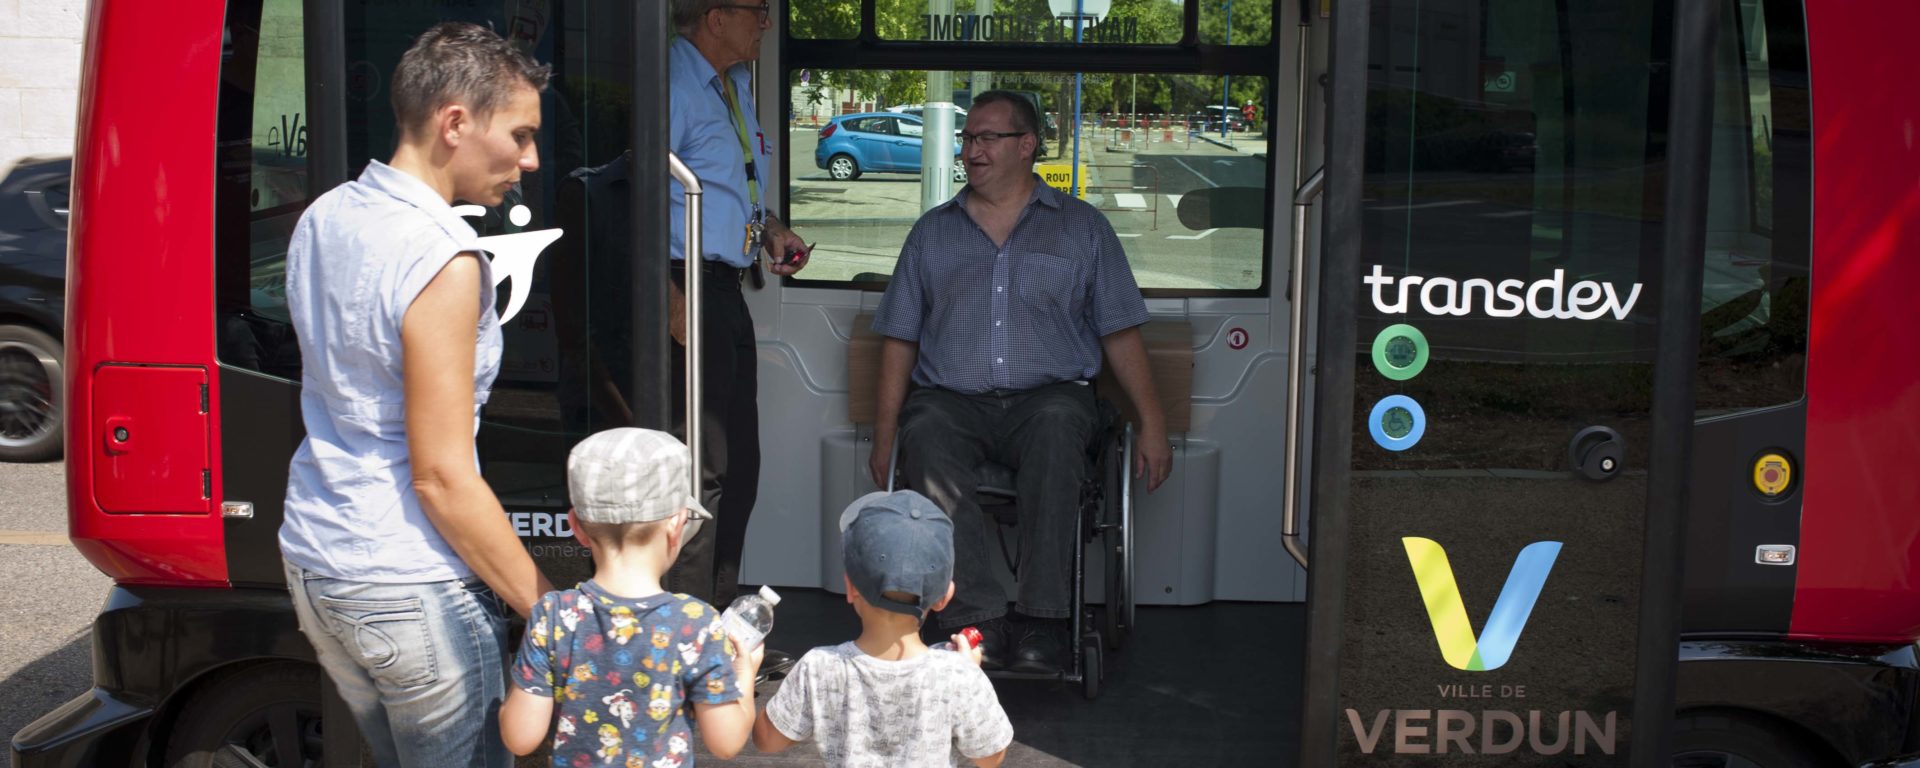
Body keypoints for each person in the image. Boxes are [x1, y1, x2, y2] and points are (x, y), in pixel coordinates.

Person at [278, 22, 554, 766]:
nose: (530, 161)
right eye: (521, 134)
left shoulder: (324, 217)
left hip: (317, 560)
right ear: (455, 121)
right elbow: (439, 476)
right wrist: (553, 611)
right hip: (407, 582)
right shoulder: (444, 257)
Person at [867, 90, 1175, 675]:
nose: (970, 150)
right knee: (925, 434)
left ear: (1026, 145)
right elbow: (899, 340)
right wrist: (885, 439)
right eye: (967, 138)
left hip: (1048, 398)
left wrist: (1152, 426)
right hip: (952, 401)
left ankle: (1044, 620)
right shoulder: (933, 233)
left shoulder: (1082, 229)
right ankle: (975, 619)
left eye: (985, 138)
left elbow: (1120, 332)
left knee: (1061, 429)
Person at [665, 0, 811, 609]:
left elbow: (734, 184)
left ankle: (719, 619)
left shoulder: (735, 84)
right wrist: (666, 297)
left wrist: (771, 227)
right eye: (758, 10)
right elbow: (629, 193)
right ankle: (686, 624)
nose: (768, 24)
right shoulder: (672, 84)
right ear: (715, 16)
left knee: (741, 468)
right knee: (704, 471)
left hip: (725, 286)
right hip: (682, 282)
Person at [501, 428, 764, 764]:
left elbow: (520, 738)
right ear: (677, 526)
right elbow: (725, 741)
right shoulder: (694, 623)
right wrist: (744, 669)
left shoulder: (552, 615)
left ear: (576, 527)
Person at [753, 490, 1014, 767]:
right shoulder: (958, 674)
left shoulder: (819, 667)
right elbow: (989, 756)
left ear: (850, 588)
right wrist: (970, 671)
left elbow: (767, 740)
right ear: (944, 598)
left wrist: (744, 670)